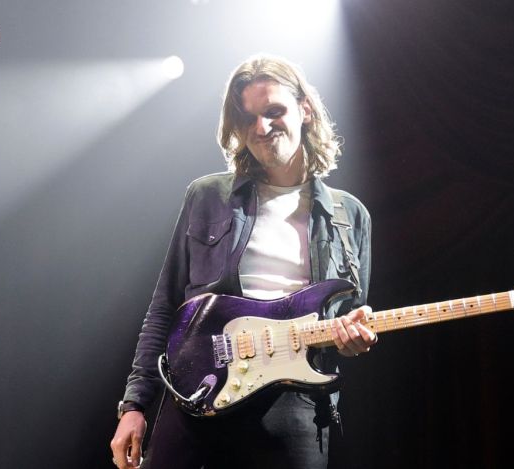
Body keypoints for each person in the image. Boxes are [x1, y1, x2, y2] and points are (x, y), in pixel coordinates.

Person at [110, 55, 378, 468]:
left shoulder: (350, 215)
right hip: (198, 393)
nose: (261, 128)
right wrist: (135, 405)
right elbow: (164, 307)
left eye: (274, 112)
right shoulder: (207, 197)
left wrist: (351, 340)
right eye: (248, 118)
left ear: (305, 109)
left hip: (296, 402)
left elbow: (347, 319)